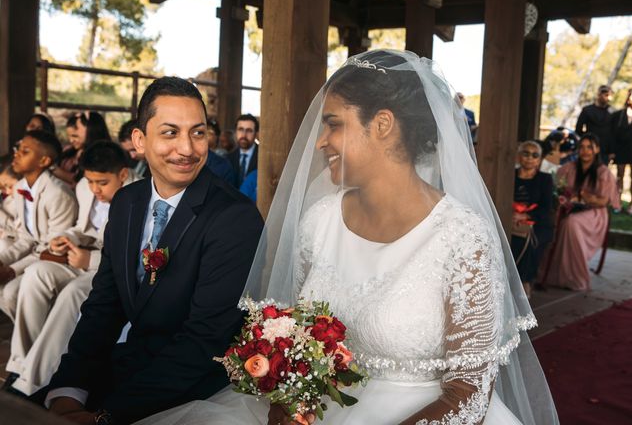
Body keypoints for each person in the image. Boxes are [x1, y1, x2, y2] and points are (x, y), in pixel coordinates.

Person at [141, 50, 558, 425]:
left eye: (333, 124)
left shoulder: (463, 236)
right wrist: (284, 403)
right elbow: (291, 338)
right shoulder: (319, 222)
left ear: (382, 125)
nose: (320, 141)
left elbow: (469, 391)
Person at [46, 77, 263, 424]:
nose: (187, 148)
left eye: (197, 132)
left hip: (196, 386)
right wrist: (69, 390)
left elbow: (204, 341)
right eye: (170, 133)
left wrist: (106, 415)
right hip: (131, 364)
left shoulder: (235, 218)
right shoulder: (126, 202)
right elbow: (105, 304)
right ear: (139, 140)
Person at [4, 141, 140, 397]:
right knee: (36, 274)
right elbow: (82, 226)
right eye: (90, 181)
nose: (95, 189)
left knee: (73, 292)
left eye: (102, 182)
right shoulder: (83, 188)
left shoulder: (138, 195)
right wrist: (68, 237)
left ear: (122, 174)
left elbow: (133, 256)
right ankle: (22, 362)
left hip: (107, 269)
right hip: (81, 256)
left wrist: (89, 260)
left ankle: (36, 379)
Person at [0, 131, 78, 320]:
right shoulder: (19, 189)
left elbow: (53, 249)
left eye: (25, 151)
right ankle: (25, 338)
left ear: (44, 161)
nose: (17, 154)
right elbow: (26, 238)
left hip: (56, 259)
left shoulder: (59, 194)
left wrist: (12, 270)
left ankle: (36, 343)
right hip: (35, 254)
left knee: (10, 292)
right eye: (18, 149)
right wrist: (2, 261)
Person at [542, 133, 619, 292]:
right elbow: (556, 186)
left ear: (597, 150)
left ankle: (576, 278)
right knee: (552, 218)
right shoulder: (569, 168)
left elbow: (603, 201)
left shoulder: (603, 172)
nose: (585, 151)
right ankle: (552, 273)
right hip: (569, 209)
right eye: (582, 147)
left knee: (571, 223)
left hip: (595, 214)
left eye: (589, 147)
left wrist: (585, 197)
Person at [511, 141, 554, 299]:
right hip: (510, 219)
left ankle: (524, 281)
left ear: (540, 159)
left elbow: (546, 208)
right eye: (526, 153)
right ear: (519, 156)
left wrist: (526, 216)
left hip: (536, 222)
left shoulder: (545, 179)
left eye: (535, 155)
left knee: (529, 241)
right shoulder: (510, 175)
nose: (530, 158)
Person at [55, 112, 112, 186]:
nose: (71, 140)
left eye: (75, 136)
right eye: (69, 136)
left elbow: (80, 181)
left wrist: (54, 169)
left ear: (91, 132)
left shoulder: (101, 156)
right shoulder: (68, 150)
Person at [610, 88, 632, 215]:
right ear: (628, 98)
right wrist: (612, 151)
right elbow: (612, 134)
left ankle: (631, 204)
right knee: (619, 176)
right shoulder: (618, 115)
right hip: (621, 150)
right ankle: (618, 203)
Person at [575, 84, 614, 162]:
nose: (606, 97)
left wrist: (612, 151)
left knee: (602, 172)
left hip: (605, 150)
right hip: (589, 148)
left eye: (608, 95)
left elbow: (614, 132)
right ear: (598, 94)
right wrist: (587, 139)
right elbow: (578, 129)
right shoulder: (587, 110)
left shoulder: (613, 112)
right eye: (604, 94)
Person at [227, 114, 259, 187]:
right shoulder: (228, 158)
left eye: (249, 131)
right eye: (240, 129)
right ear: (236, 132)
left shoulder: (263, 158)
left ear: (256, 134)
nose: (244, 135)